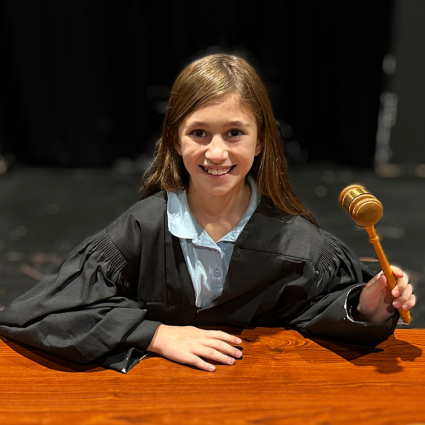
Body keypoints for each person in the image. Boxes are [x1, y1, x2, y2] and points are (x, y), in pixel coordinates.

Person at [0, 54, 415, 373]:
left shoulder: (299, 244)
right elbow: (39, 313)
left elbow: (323, 309)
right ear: (175, 141)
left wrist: (369, 306)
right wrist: (155, 334)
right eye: (199, 133)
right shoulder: (143, 229)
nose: (216, 152)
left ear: (260, 141)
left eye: (234, 133)